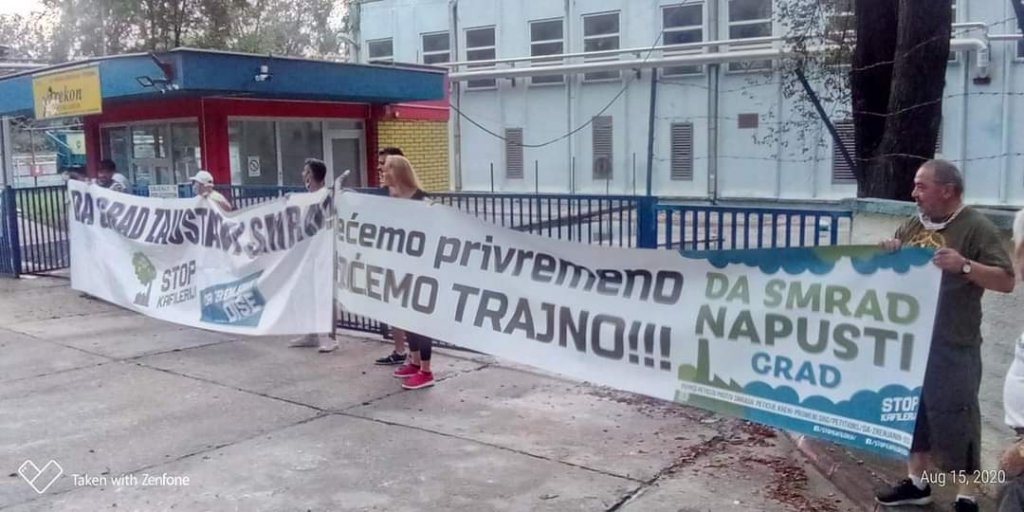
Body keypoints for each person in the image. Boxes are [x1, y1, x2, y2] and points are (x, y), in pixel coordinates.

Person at [875, 160, 1015, 512]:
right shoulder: (913, 224)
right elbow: (894, 275)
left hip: (953, 343)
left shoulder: (975, 227)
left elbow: (1006, 280)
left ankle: (966, 495)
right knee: (914, 412)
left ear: (947, 190)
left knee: (959, 416)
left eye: (921, 186)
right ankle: (917, 483)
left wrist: (964, 266)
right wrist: (889, 253)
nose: (914, 193)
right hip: (911, 342)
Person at [377, 155, 436, 390]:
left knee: (421, 320)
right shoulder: (392, 199)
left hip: (420, 269)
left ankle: (426, 370)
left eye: (387, 168)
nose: (383, 171)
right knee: (406, 317)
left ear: (399, 172)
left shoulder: (422, 200)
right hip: (399, 267)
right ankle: (414, 361)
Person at [288, 158, 338, 353]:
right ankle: (311, 333)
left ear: (310, 175)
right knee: (306, 293)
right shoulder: (307, 198)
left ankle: (330, 337)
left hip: (324, 252)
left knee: (325, 293)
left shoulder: (326, 196)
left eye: (305, 171)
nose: (303, 175)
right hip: (307, 253)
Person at [371, 147, 413, 366]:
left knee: (409, 310)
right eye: (379, 164)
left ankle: (417, 359)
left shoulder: (412, 194)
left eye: (384, 164)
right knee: (393, 308)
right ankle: (399, 351)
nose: (380, 168)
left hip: (409, 262)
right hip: (390, 260)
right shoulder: (383, 194)